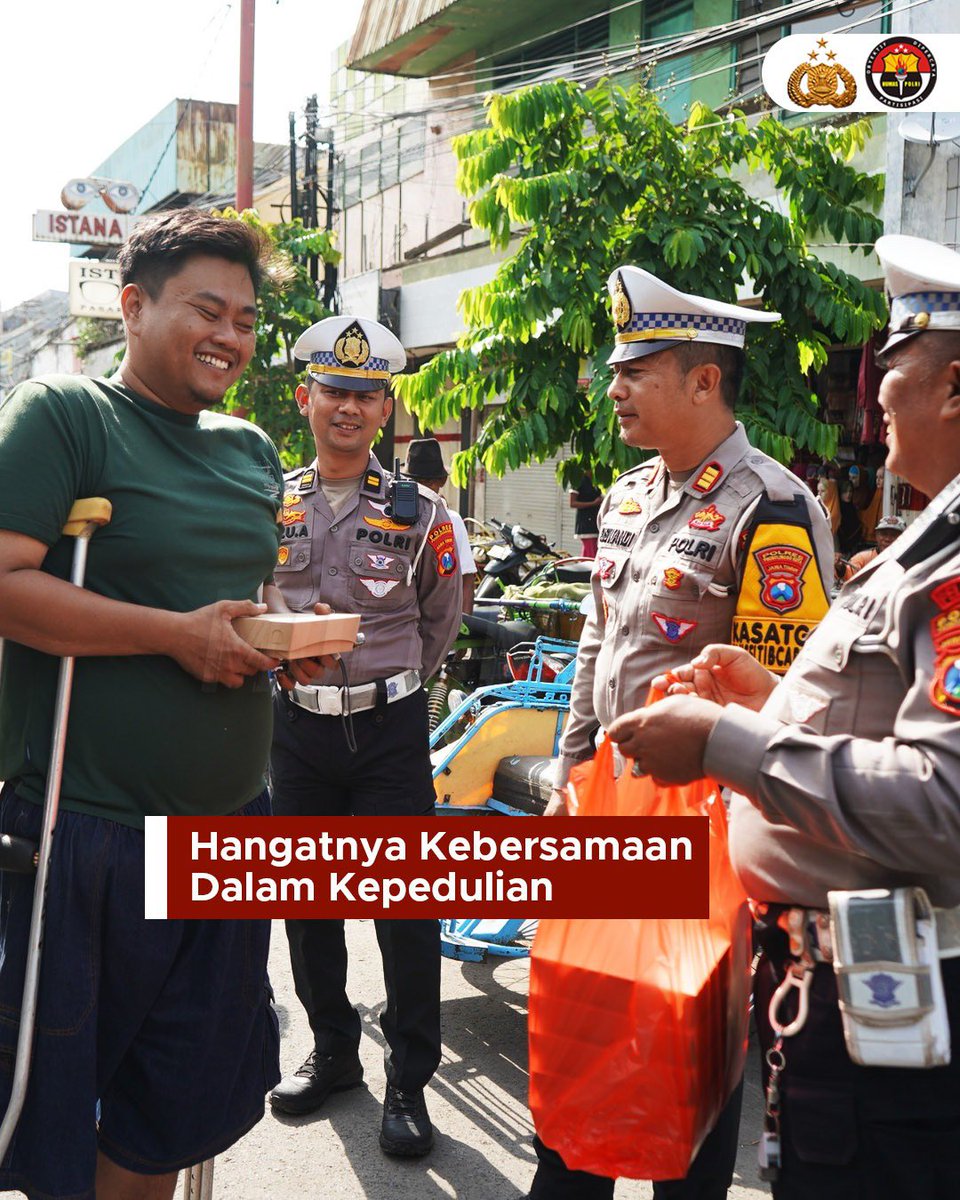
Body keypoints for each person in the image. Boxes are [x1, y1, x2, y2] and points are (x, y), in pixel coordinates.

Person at [606, 233, 960, 1200]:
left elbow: (946, 799)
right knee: (610, 1048)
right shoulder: (635, 496)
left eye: (886, 384)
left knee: (692, 1081)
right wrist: (764, 705)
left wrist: (729, 737)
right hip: (813, 951)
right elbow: (856, 702)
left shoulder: (776, 505)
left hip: (869, 953)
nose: (873, 413)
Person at [0, 209, 287, 1200]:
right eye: (208, 310)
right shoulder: (66, 416)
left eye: (246, 320)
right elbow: (4, 586)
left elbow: (235, 597)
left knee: (172, 1111)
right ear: (133, 305)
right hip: (90, 836)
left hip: (230, 837)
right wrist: (174, 635)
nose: (232, 337)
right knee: (47, 1110)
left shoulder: (252, 448)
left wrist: (282, 641)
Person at [530, 264, 833, 1200]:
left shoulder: (771, 508)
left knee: (687, 1060)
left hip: (704, 840)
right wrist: (568, 765)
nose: (612, 388)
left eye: (637, 369)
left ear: (705, 380)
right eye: (615, 371)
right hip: (604, 817)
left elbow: (795, 700)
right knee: (583, 1027)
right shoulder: (625, 498)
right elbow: (597, 634)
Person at [267, 316, 462, 1157]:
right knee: (307, 907)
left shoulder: (424, 514)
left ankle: (410, 1083)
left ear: (386, 409)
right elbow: (250, 597)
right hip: (295, 729)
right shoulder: (269, 501)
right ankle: (336, 1051)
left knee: (404, 912)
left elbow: (439, 622)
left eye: (366, 395)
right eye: (334, 392)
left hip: (386, 730)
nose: (348, 408)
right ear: (306, 397)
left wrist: (382, 683)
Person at [403, 436, 477, 613]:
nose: (421, 490)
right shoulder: (394, 519)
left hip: (436, 617)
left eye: (426, 483)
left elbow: (467, 578)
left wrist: (464, 623)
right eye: (416, 483)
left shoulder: (451, 520)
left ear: (441, 482)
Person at [836, 512, 905, 582]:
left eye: (893, 535)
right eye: (884, 534)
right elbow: (848, 575)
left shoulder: (910, 559)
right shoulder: (862, 558)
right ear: (876, 536)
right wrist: (840, 568)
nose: (887, 539)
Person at [569, 471, 603, 558]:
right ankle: (588, 571)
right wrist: (593, 503)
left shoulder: (595, 480)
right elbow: (572, 503)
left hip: (595, 523)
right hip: (586, 524)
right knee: (591, 555)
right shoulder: (578, 480)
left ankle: (582, 570)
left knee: (588, 553)